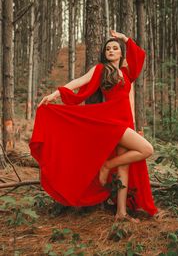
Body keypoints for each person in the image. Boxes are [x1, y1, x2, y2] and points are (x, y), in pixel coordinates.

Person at [29, 29, 158, 223]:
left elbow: (138, 60)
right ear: (104, 54)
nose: (112, 51)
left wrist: (124, 38)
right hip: (112, 123)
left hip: (126, 123)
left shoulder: (126, 73)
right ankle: (107, 166)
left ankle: (121, 213)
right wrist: (55, 94)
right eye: (108, 49)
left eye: (115, 48)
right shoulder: (101, 69)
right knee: (147, 149)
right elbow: (79, 81)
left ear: (122, 53)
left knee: (125, 168)